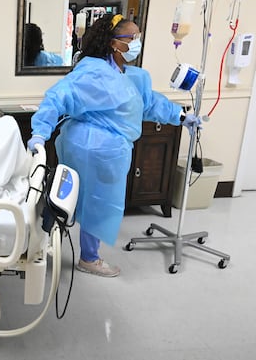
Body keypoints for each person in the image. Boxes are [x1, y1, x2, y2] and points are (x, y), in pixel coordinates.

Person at [26, 14, 201, 277]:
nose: (136, 43)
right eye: (131, 38)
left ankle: (54, 245)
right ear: (113, 43)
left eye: (138, 37)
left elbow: (149, 103)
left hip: (104, 149)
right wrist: (40, 132)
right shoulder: (93, 71)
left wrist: (181, 116)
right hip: (94, 149)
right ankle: (85, 258)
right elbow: (58, 97)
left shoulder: (131, 76)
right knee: (91, 203)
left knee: (76, 199)